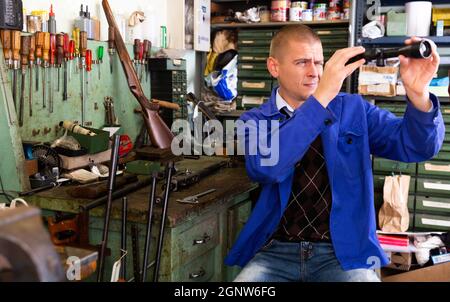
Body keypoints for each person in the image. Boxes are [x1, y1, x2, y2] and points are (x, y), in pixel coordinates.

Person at [225, 25, 445, 282]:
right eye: (301, 62)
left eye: (319, 62)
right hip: (275, 252)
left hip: (342, 253)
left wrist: (418, 94)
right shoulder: (256, 120)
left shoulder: (354, 110)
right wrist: (321, 99)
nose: (314, 72)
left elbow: (417, 146)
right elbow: (266, 168)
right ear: (274, 67)